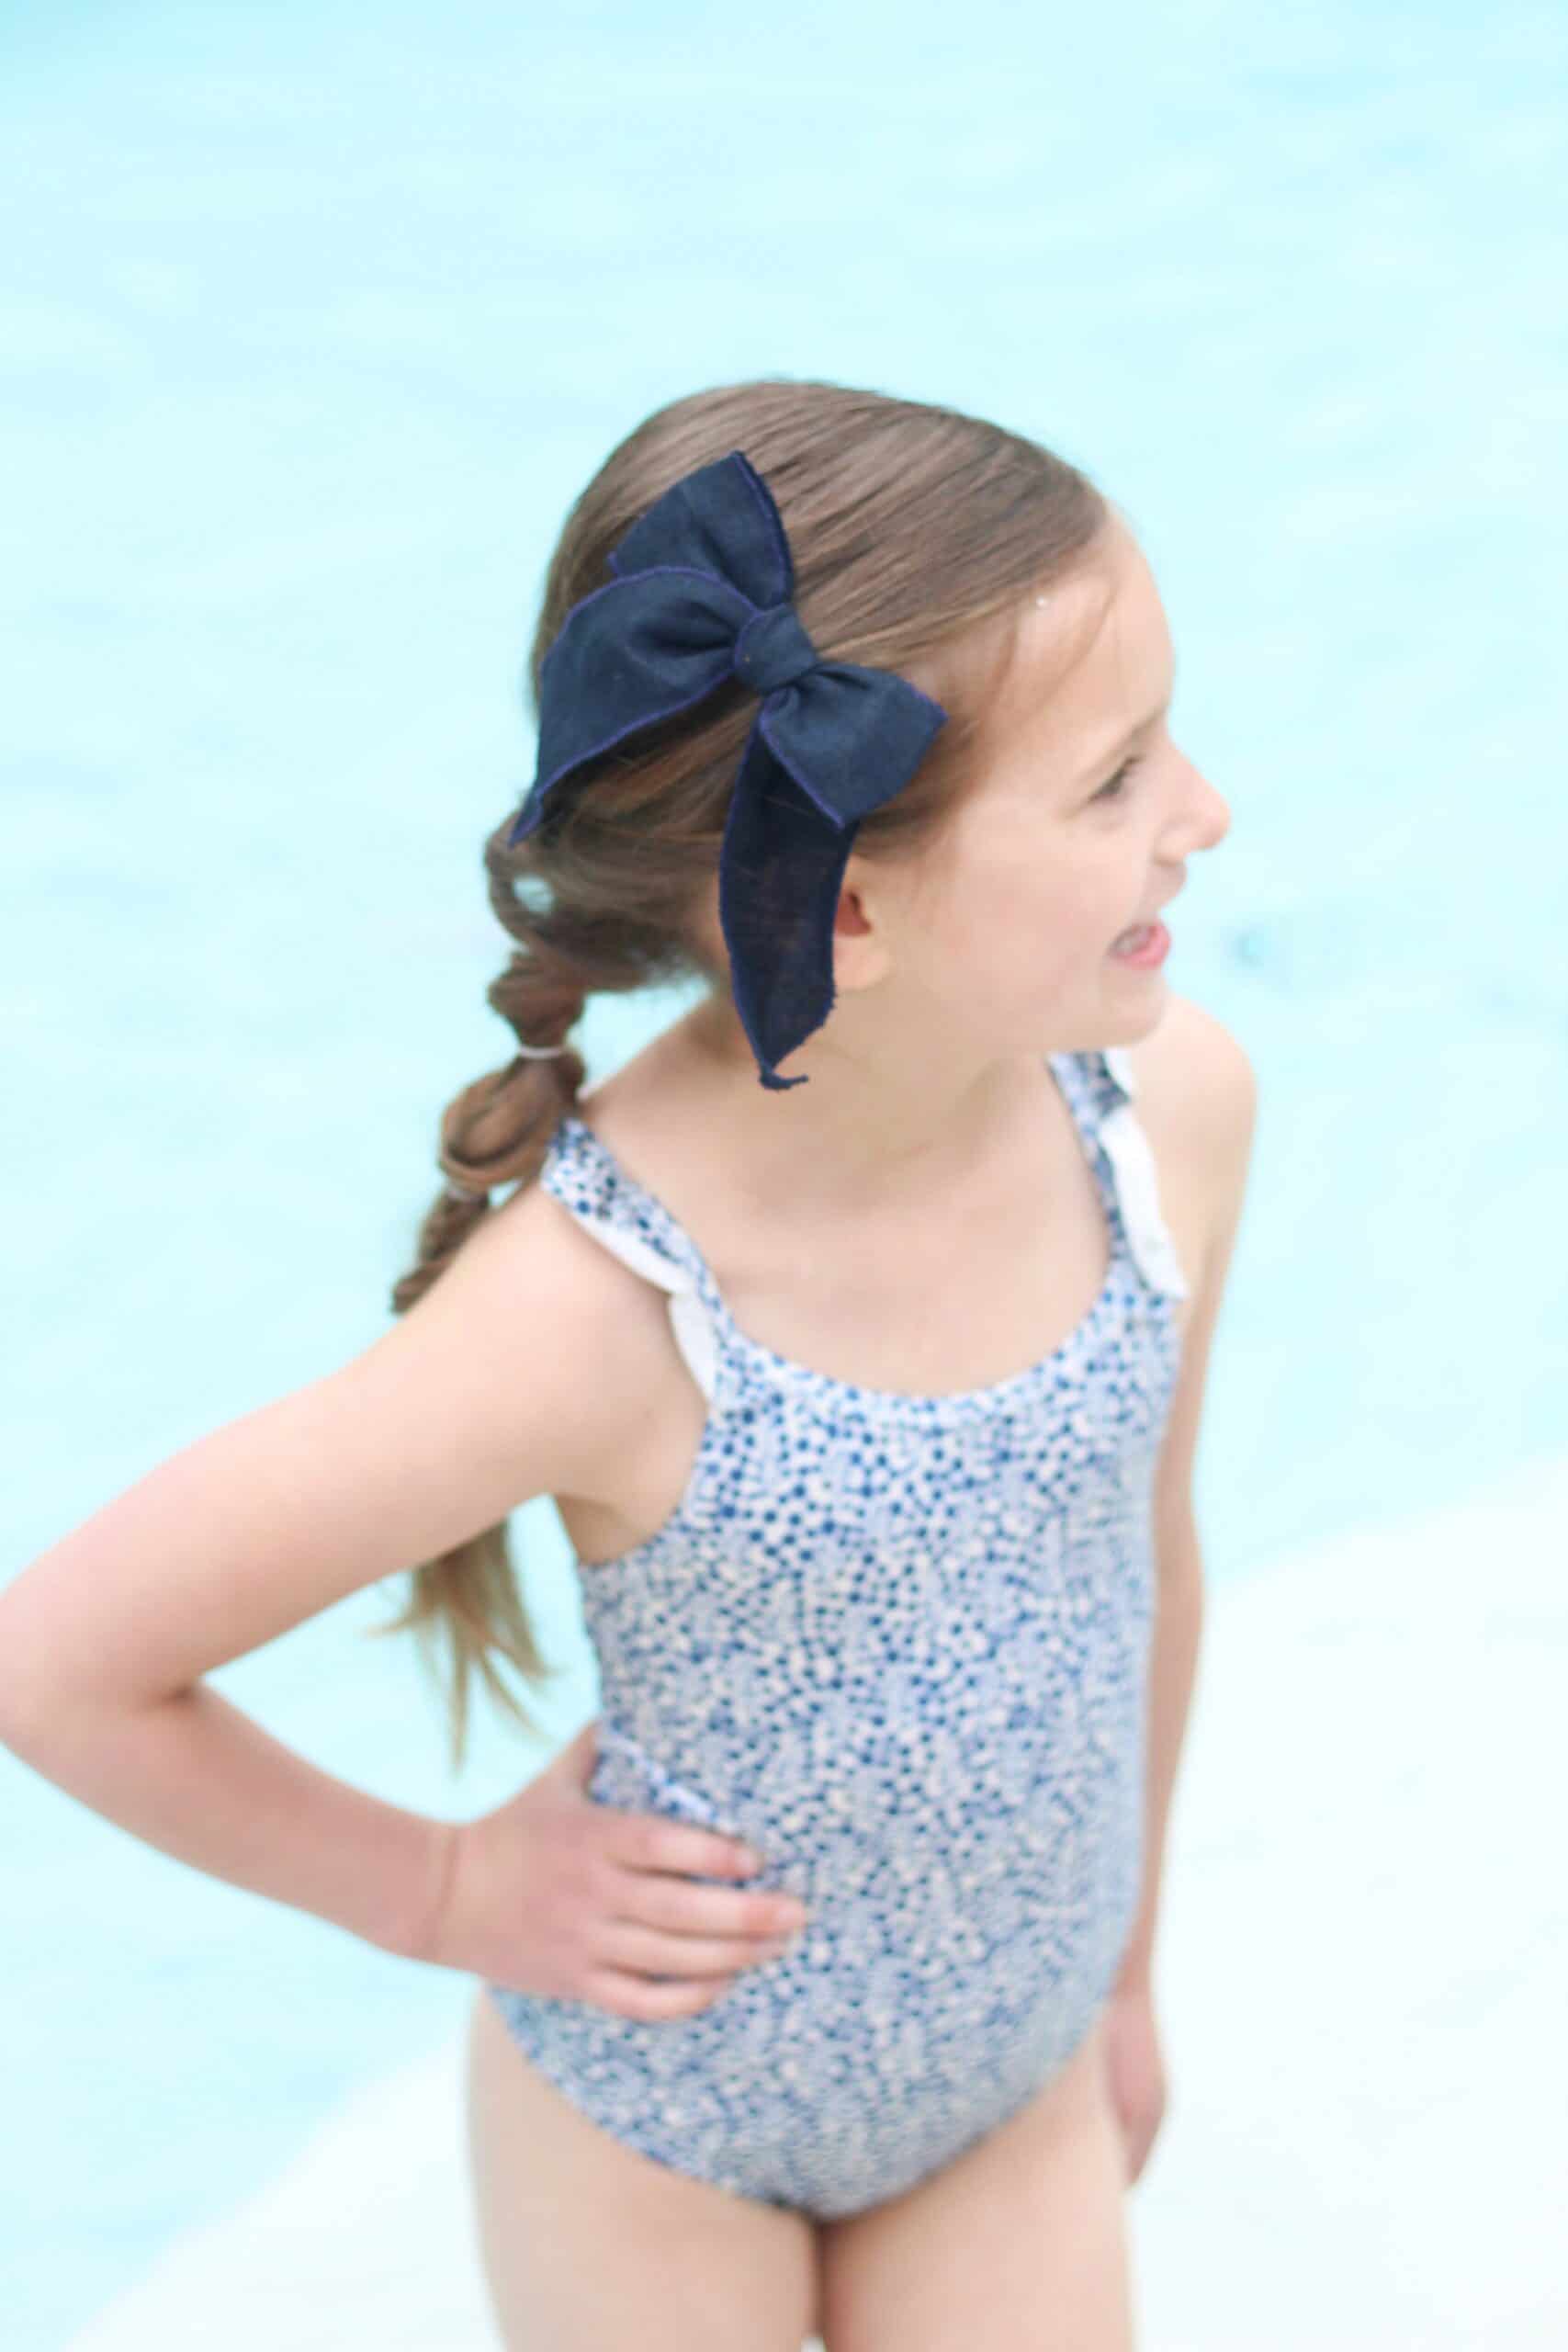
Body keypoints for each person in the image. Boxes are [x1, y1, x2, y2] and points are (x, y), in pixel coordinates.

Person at [0, 379, 1253, 2352]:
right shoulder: (595, 1315)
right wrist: (434, 1887)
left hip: (1003, 2092)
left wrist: (1121, 1975)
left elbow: (1136, 1563)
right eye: (1112, 779)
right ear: (843, 903)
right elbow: (56, 1658)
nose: (1199, 808)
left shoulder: (1162, 1118)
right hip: (661, 2128)